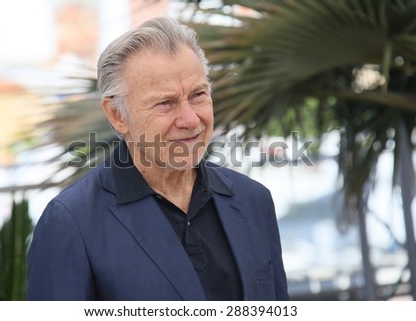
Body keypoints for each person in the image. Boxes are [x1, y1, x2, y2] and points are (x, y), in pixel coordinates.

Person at [27, 16, 289, 301]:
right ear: (117, 115)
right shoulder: (70, 222)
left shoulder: (254, 200)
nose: (190, 119)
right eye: (165, 103)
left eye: (199, 94)